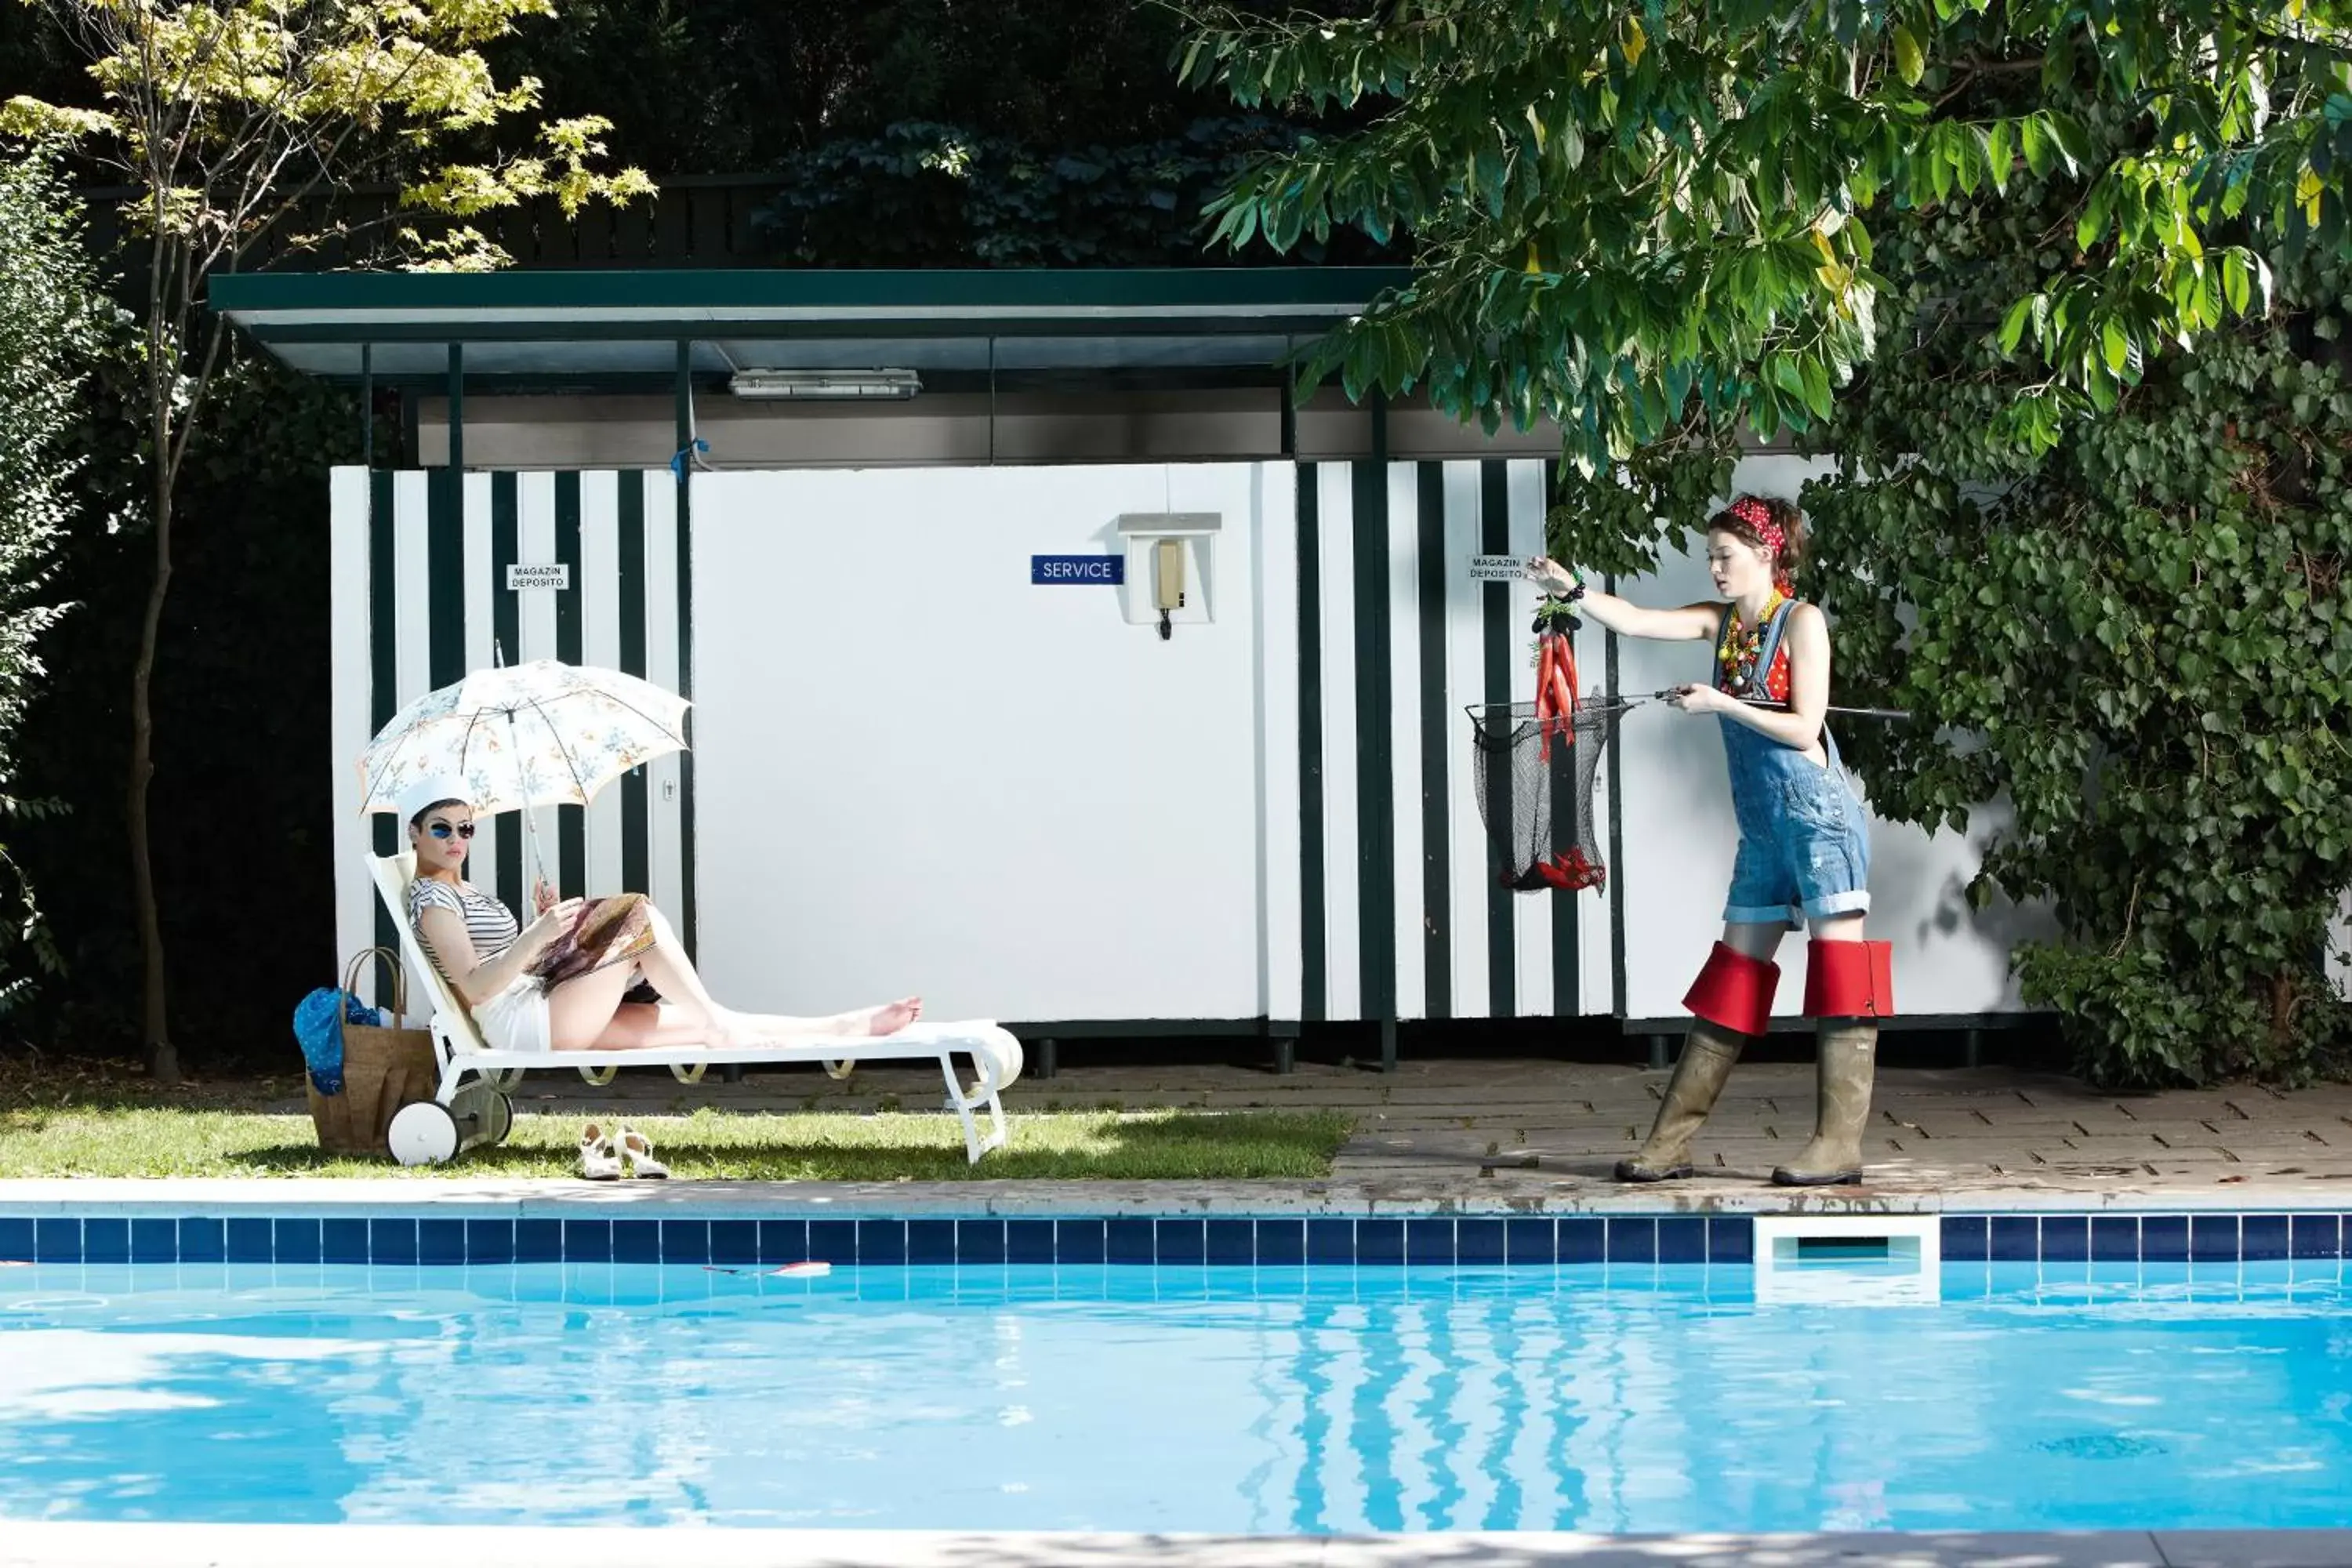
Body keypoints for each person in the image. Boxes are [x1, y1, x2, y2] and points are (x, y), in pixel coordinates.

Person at [1527, 495, 1893, 1186]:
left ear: (1766, 554)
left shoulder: (1801, 623)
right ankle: (1670, 1144)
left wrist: (1720, 701)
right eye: (1711, 558)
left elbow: (1806, 729)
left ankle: (1838, 1144)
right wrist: (1570, 589)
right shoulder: (1723, 626)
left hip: (1819, 823)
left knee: (1844, 975)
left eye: (1726, 556)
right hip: (1763, 829)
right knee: (1733, 977)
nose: (1716, 569)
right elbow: (1636, 621)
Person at [395, 774, 922, 1055]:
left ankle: (846, 1026)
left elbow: (504, 961)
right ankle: (721, 1024)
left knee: (700, 1026)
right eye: (441, 828)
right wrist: (537, 935)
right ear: (415, 833)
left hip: (543, 1006)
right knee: (635, 914)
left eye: (466, 829)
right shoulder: (435, 900)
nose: (456, 839)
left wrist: (542, 924)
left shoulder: (460, 889)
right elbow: (476, 988)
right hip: (527, 1024)